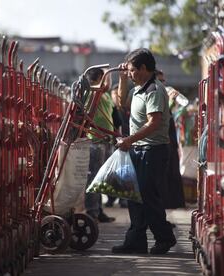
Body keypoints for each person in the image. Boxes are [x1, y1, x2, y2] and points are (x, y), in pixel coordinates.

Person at [112, 48, 176, 255]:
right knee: (134, 197)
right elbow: (122, 104)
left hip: (153, 151)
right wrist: (122, 79)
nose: (130, 74)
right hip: (137, 150)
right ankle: (135, 240)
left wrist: (129, 139)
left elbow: (154, 123)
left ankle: (164, 238)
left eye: (131, 70)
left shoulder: (154, 91)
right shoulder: (137, 90)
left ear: (143, 68)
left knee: (149, 197)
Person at [84, 67, 116, 223]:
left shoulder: (106, 96)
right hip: (95, 141)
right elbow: (87, 89)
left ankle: (98, 210)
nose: (108, 81)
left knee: (101, 178)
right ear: (98, 79)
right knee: (94, 178)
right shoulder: (91, 94)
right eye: (105, 77)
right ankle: (92, 212)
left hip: (106, 141)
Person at [154, 70, 186, 209]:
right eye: (160, 81)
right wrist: (171, 102)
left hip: (169, 142)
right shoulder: (153, 95)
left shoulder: (162, 94)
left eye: (164, 81)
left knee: (172, 173)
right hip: (160, 142)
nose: (163, 84)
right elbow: (160, 118)